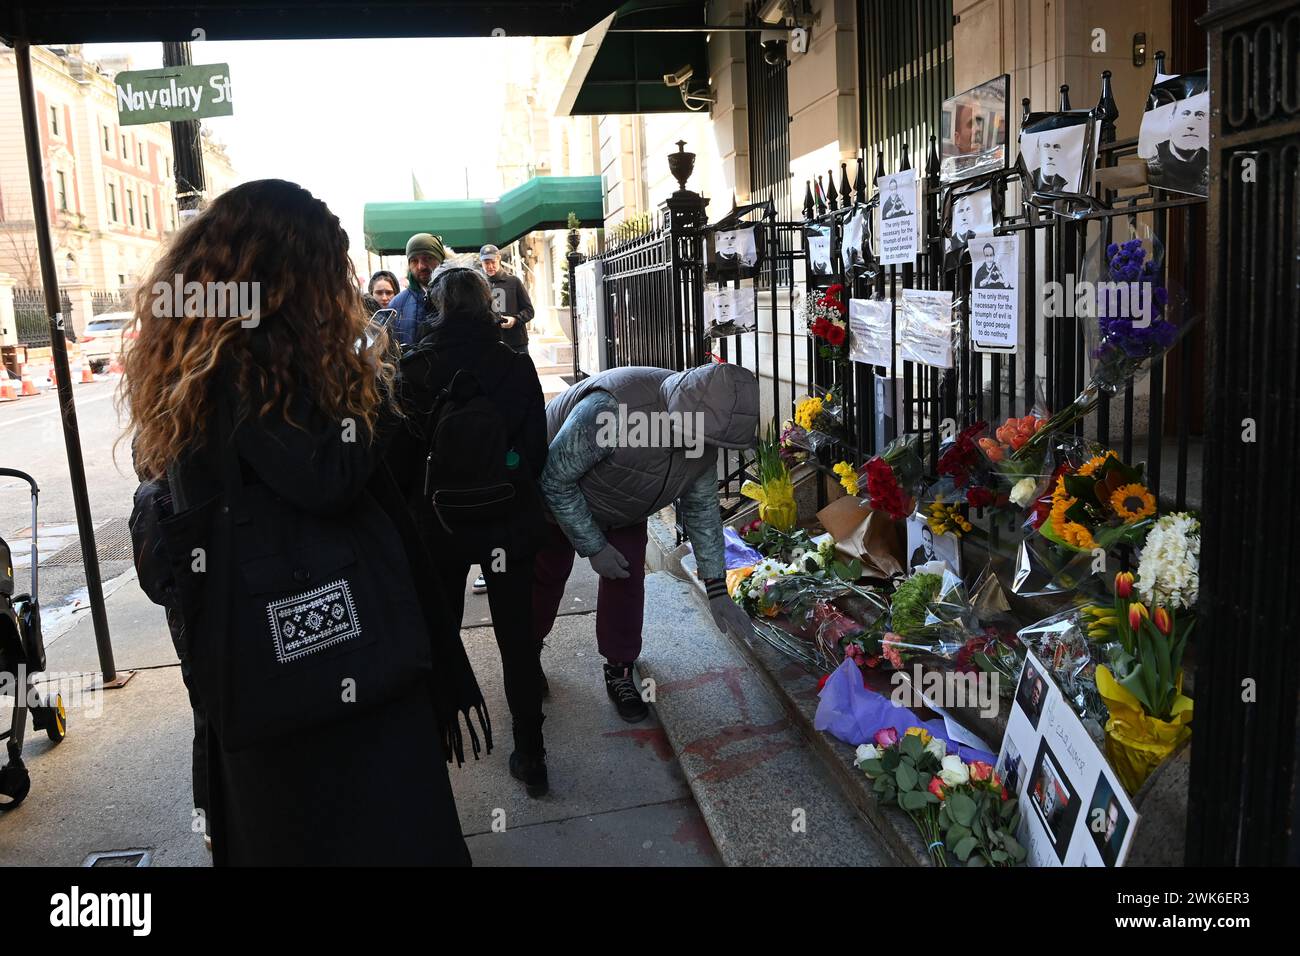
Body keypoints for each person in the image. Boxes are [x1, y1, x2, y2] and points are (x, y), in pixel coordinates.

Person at [121, 179, 485, 865]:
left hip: (261, 696)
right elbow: (329, 479)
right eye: (327, 270)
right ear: (286, 279)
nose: (340, 291)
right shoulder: (265, 380)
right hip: (337, 697)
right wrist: (369, 382)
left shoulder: (196, 375)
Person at [387, 265, 551, 797]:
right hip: (507, 519)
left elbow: (399, 463)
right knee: (516, 640)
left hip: (440, 524)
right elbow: (534, 450)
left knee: (440, 633)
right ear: (486, 304)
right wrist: (503, 467)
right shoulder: (515, 364)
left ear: (437, 307)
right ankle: (531, 754)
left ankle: (438, 754)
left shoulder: (415, 369)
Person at [534, 363, 759, 722]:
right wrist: (593, 546)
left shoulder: (704, 433)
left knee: (626, 581)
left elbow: (701, 510)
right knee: (545, 578)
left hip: (625, 501)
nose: (705, 448)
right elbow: (555, 479)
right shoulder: (612, 411)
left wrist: (717, 586)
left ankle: (619, 669)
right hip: (555, 498)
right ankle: (527, 654)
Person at [388, 233, 446, 346]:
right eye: (414, 260)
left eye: (428, 258)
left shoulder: (459, 298)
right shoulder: (397, 305)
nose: (421, 266)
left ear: (441, 260)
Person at [479, 244, 535, 355]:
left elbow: (529, 311)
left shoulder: (514, 281)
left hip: (517, 343)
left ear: (498, 259)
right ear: (482, 263)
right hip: (490, 344)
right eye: (486, 263)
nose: (490, 266)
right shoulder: (479, 285)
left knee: (521, 372)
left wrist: (515, 320)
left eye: (493, 262)